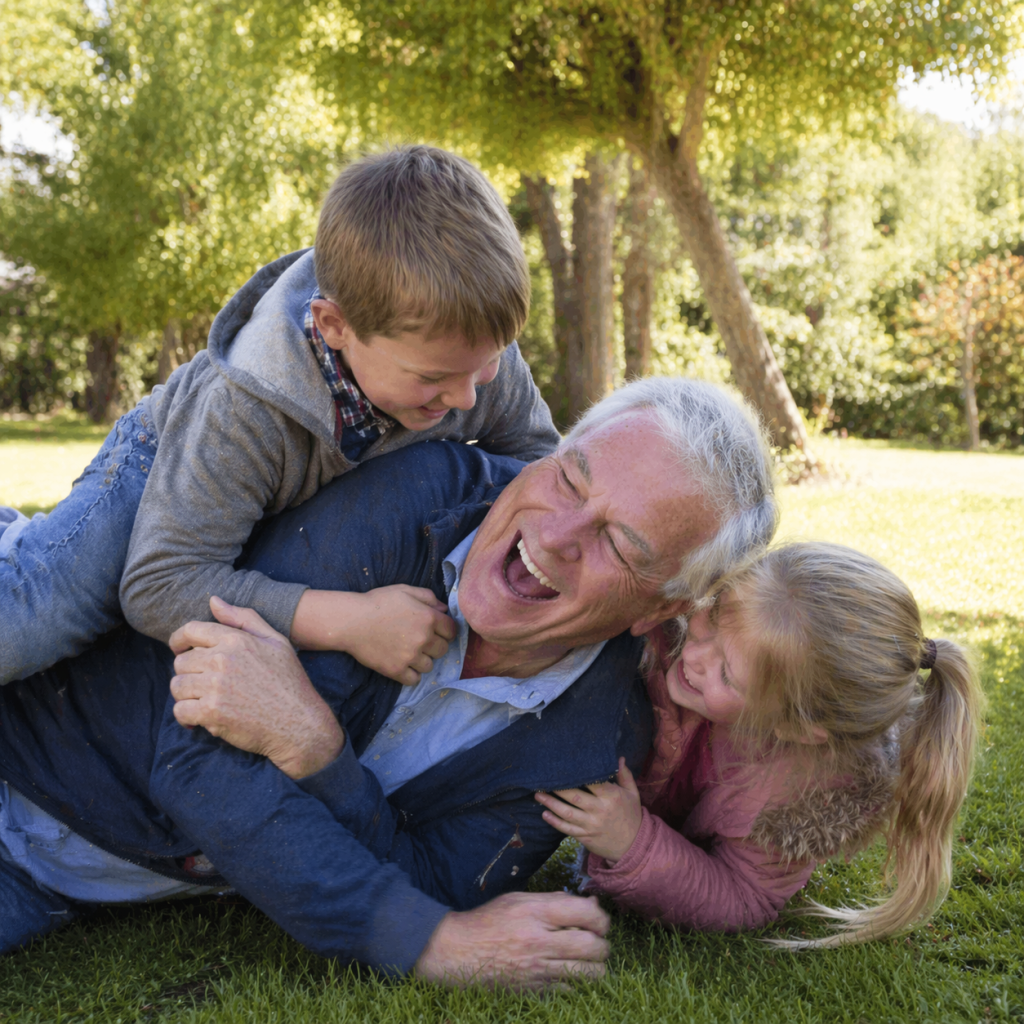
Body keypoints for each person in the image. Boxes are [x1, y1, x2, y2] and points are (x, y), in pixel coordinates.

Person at [0, 379, 778, 986]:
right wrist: (426, 943)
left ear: (662, 608)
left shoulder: (593, 745)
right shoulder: (415, 499)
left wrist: (316, 750)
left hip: (60, 890)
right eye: (570, 482)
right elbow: (200, 758)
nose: (558, 535)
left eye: (621, 544)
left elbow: (435, 877)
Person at [0, 145, 560, 686]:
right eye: (433, 379)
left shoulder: (470, 360)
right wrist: (352, 622)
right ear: (335, 326)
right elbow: (161, 586)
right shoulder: (242, 411)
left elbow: (544, 471)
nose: (466, 399)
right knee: (37, 625)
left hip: (276, 505)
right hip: (165, 462)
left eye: (486, 363)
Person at [537, 542, 981, 946]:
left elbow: (743, 896)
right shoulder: (687, 618)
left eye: (727, 674)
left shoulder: (803, 791)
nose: (693, 655)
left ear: (794, 728)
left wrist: (632, 842)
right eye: (709, 620)